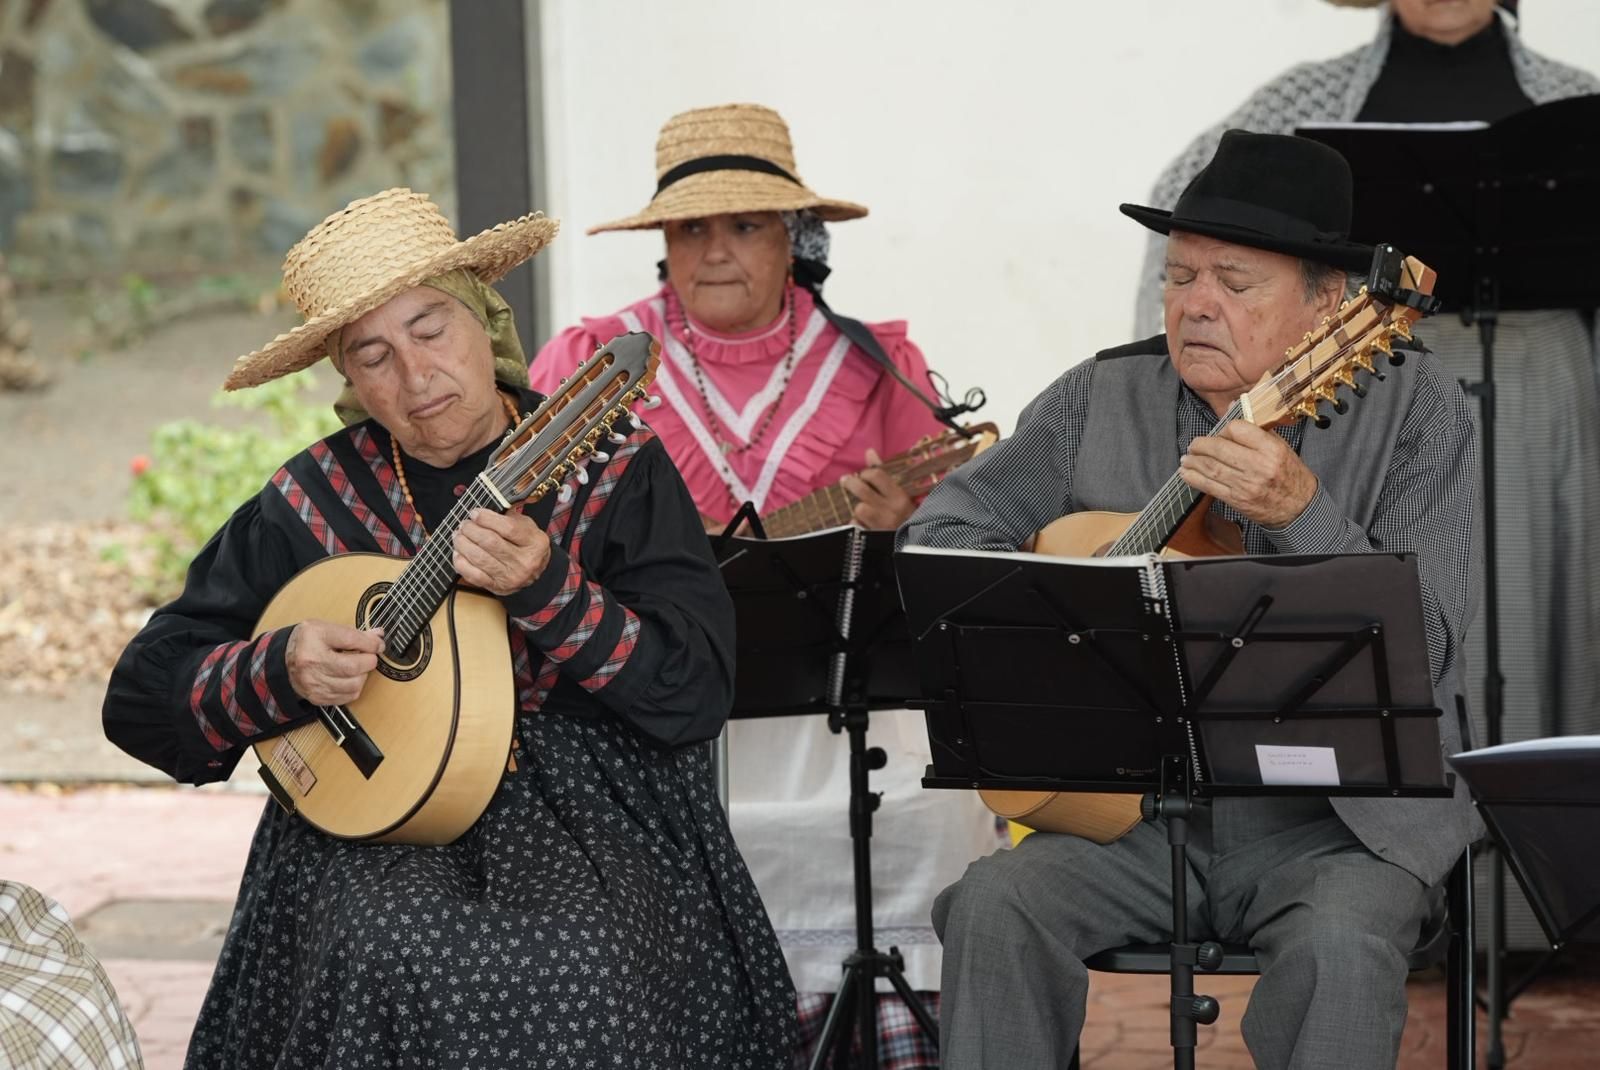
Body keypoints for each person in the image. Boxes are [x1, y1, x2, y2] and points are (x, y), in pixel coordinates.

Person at [101, 188, 796, 1068]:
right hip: (373, 809)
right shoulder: (312, 499)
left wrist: (548, 587)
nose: (416, 376)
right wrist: (278, 670)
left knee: (580, 967)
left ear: (485, 321)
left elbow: (694, 689)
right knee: (379, 947)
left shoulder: (612, 465)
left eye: (431, 329)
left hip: (594, 812)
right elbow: (139, 696)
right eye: (374, 355)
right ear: (348, 380)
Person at [903, 131, 1482, 1068]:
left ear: (1327, 304)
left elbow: (1434, 644)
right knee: (994, 908)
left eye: (1235, 282)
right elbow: (940, 538)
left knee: (1340, 943)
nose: (1195, 305)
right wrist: (1064, 592)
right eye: (1180, 277)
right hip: (1133, 816)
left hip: (1340, 827)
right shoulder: (1099, 395)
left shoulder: (1422, 410)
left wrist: (1304, 513)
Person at [531, 103, 1000, 1066]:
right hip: (649, 698)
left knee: (931, 806)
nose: (714, 251)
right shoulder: (589, 366)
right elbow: (531, 532)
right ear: (662, 244)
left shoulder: (877, 366)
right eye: (691, 228)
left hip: (835, 699)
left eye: (744, 225)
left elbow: (963, 540)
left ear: (795, 238)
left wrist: (893, 530)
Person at [1135, 0, 1600, 764]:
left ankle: (1538, 853)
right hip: (1369, 378)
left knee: (1539, 614)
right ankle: (1418, 840)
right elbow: (1190, 215)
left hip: (1544, 383)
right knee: (1421, 588)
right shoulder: (1306, 99)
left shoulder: (1577, 101)